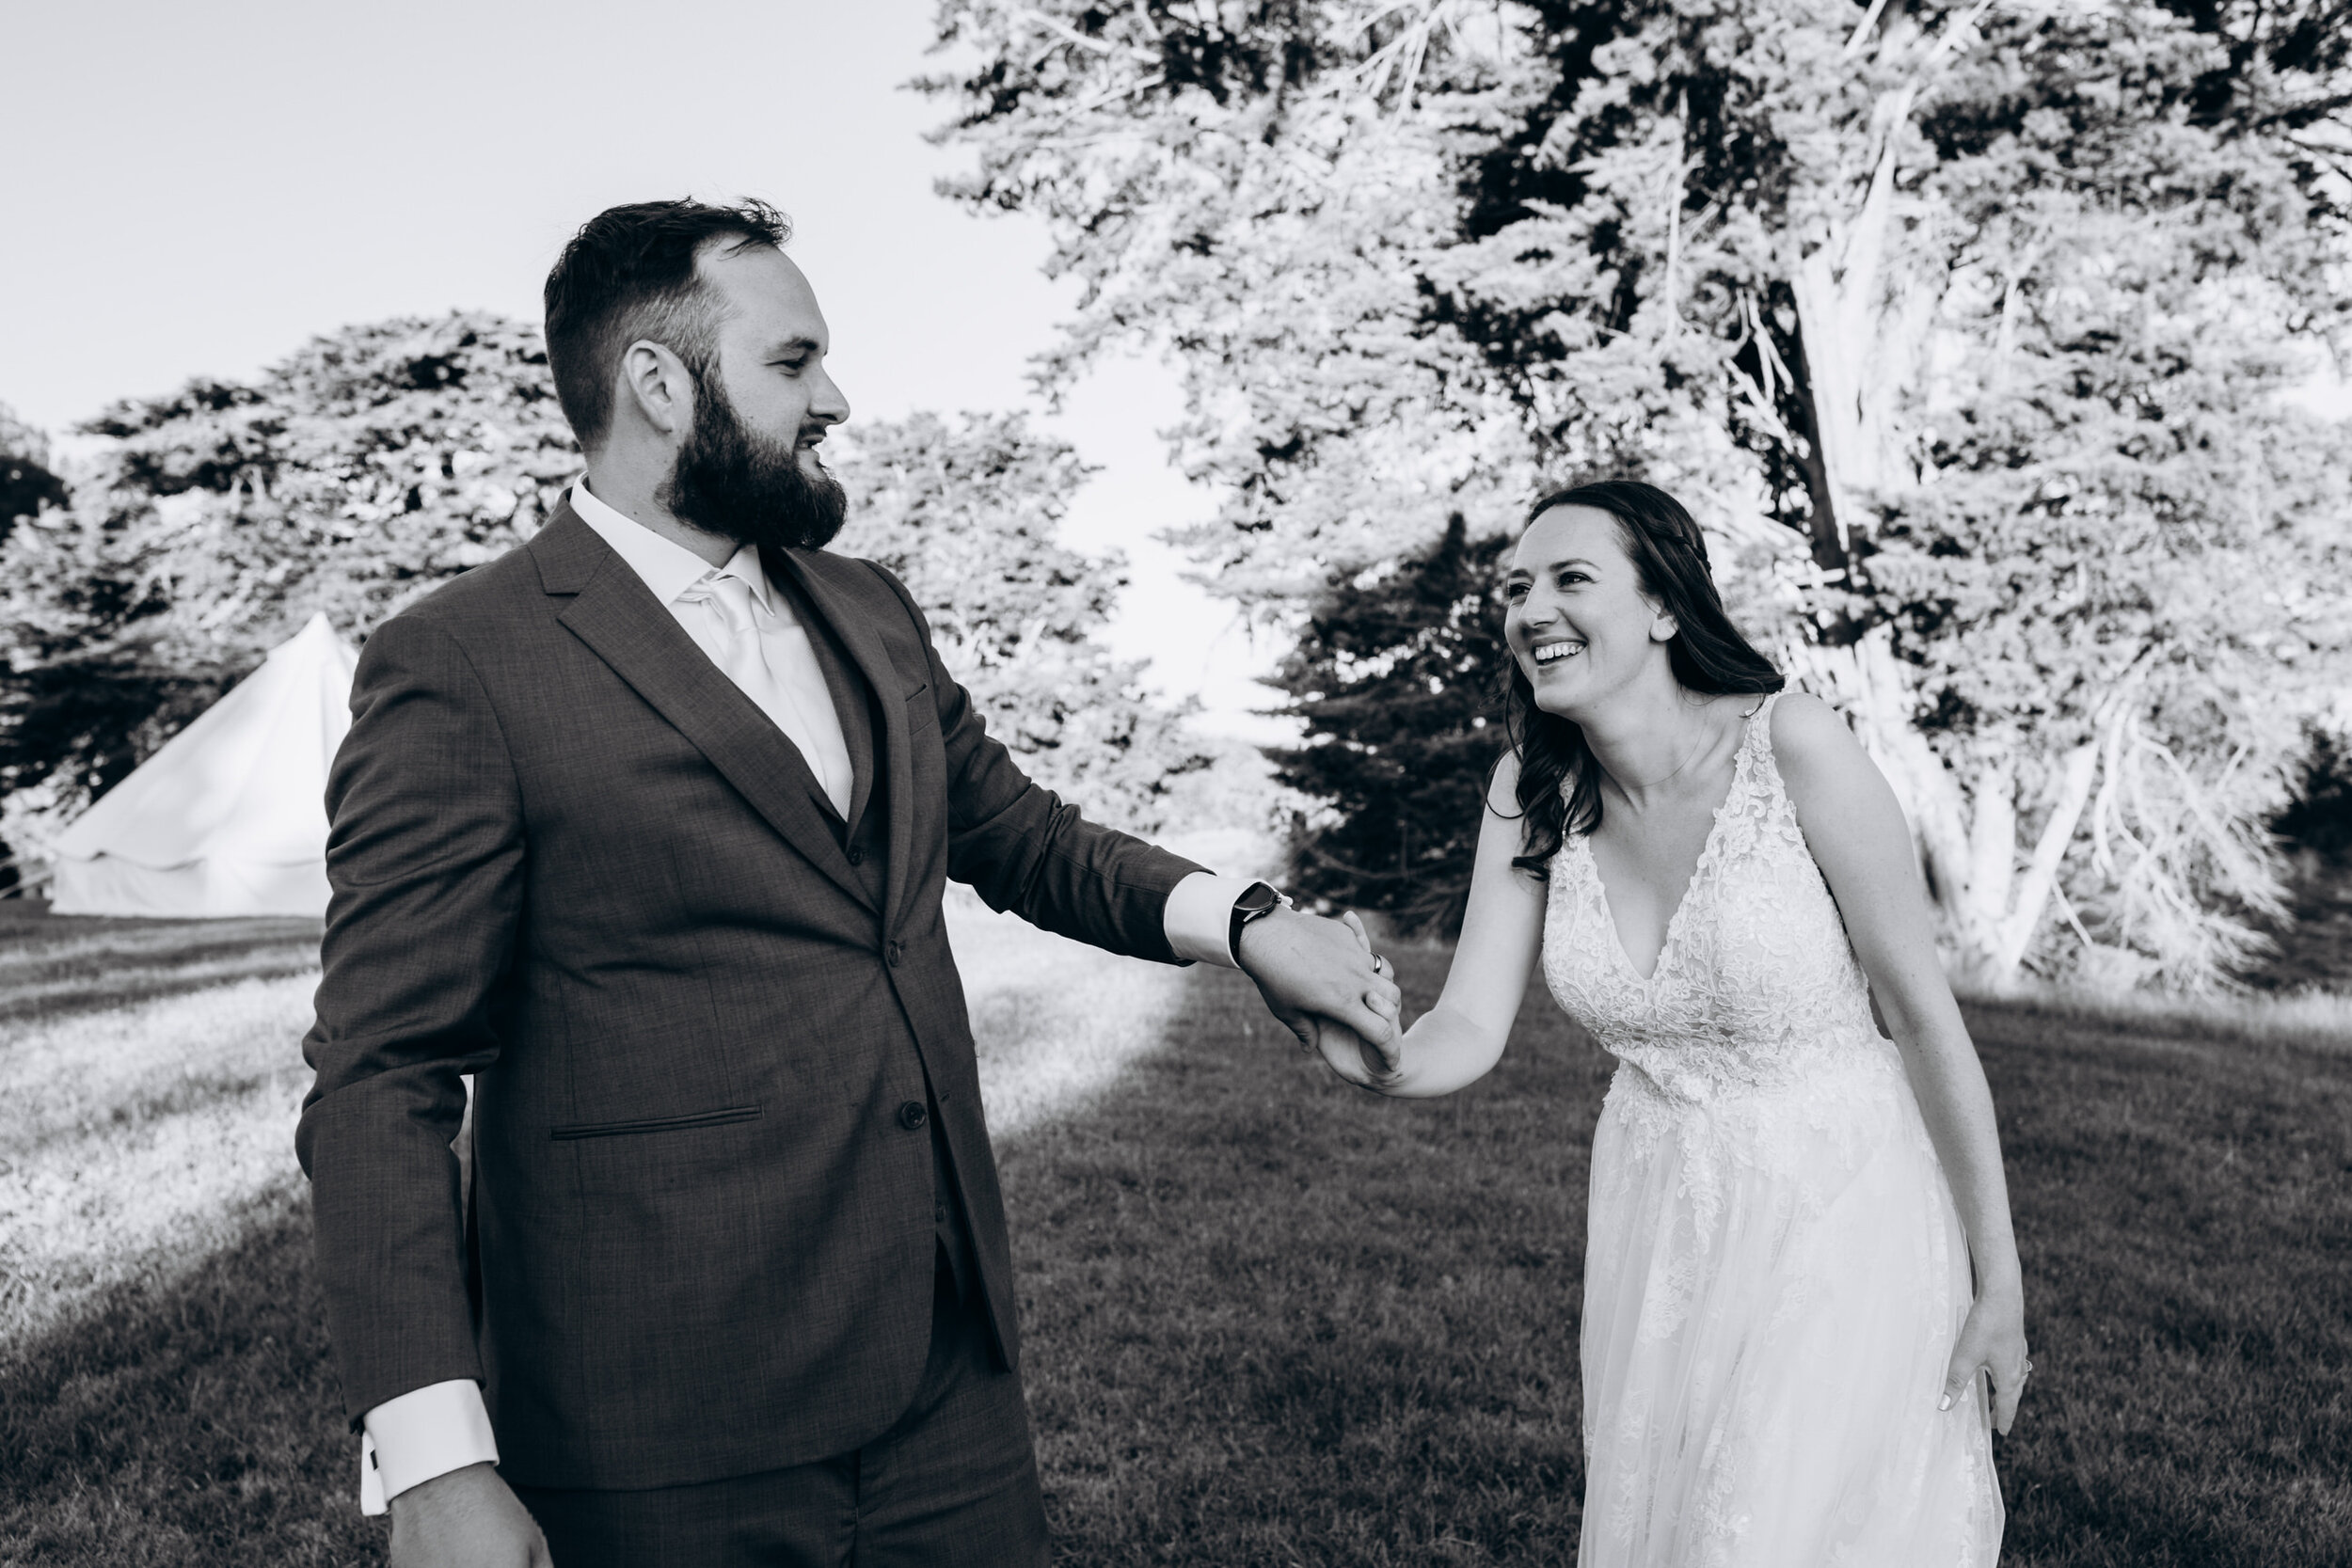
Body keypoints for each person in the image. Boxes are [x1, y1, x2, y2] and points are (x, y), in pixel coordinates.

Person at [295, 198, 1400, 1568]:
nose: (837, 396)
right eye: (792, 361)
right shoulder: (464, 659)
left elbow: (1022, 833)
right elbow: (382, 1072)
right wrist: (437, 1464)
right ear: (658, 381)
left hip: (944, 1380)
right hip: (653, 1419)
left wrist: (1246, 920)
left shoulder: (869, 605)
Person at [1323, 482, 2023, 1563]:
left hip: (1840, 1201)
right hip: (1660, 1215)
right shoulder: (1529, 787)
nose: (1529, 610)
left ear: (1661, 608)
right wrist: (1382, 1058)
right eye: (1516, 589)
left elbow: (1923, 1019)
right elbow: (1466, 1015)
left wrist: (1998, 1278)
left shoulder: (1790, 744)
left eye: (1569, 579)